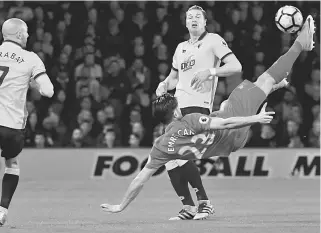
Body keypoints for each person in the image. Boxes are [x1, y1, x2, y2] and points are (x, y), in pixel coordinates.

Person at [100, 15, 315, 215]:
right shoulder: (191, 120)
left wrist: (121, 206)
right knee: (264, 79)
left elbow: (139, 180)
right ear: (176, 111)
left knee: (230, 101)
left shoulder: (161, 145)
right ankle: (300, 44)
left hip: (228, 142)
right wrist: (255, 119)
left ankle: (193, 205)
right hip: (233, 130)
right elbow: (226, 123)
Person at [155, 5, 242, 220]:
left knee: (177, 154)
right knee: (172, 158)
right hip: (178, 109)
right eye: (189, 17)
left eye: (197, 17)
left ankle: (201, 204)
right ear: (185, 22)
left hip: (198, 107)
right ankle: (192, 206)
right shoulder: (180, 47)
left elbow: (235, 66)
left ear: (204, 22)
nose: (193, 20)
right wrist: (164, 84)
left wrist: (211, 71)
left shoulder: (213, 40)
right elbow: (174, 78)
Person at [0, 18, 54, 227]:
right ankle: (1, 211)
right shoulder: (31, 58)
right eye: (25, 33)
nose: (28, 36)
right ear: (17, 35)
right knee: (12, 164)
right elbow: (48, 91)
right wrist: (32, 83)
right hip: (13, 124)